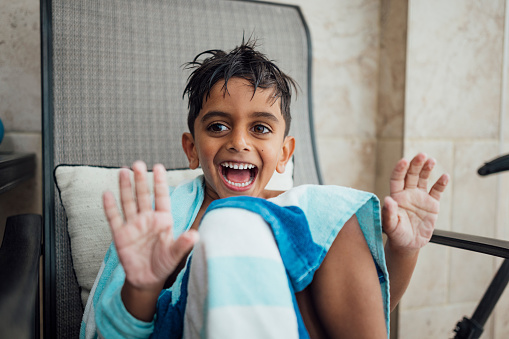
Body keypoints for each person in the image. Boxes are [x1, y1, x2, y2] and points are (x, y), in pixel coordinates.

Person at [82, 40, 449, 339]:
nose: (239, 141)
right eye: (217, 127)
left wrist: (404, 251)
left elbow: (362, 312)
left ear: (284, 154)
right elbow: (117, 332)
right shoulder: (167, 220)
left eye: (259, 129)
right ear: (192, 150)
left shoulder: (310, 216)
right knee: (232, 216)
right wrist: (142, 287)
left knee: (331, 207)